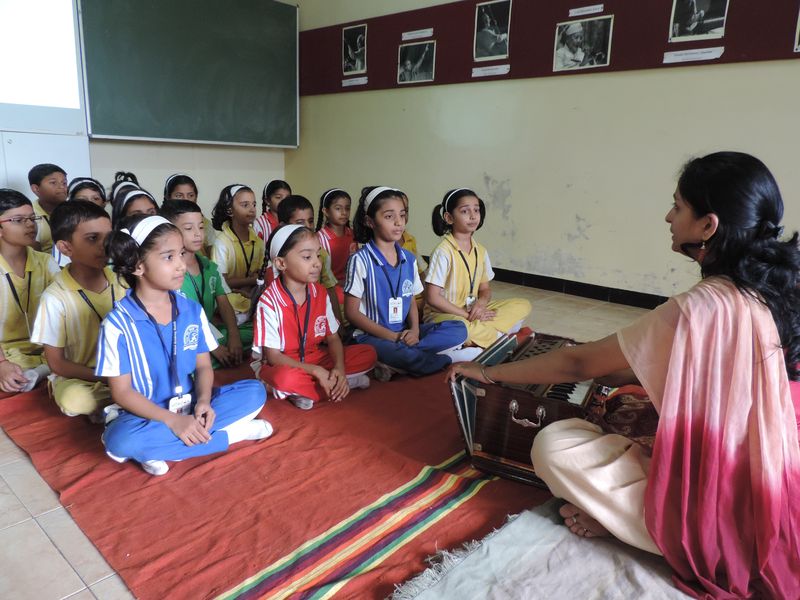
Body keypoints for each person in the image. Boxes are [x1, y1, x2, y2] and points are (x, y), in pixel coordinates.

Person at [446, 152, 800, 599]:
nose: (668, 217)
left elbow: (578, 364)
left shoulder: (702, 307)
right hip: (778, 483)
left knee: (554, 445)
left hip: (721, 518)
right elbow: (649, 367)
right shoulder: (773, 289)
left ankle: (635, 527)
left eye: (677, 206)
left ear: (707, 226)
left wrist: (489, 371)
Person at [97, 215, 272, 476]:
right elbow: (122, 393)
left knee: (255, 392)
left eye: (181, 254)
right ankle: (232, 435)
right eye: (169, 257)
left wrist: (204, 402)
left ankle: (158, 449)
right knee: (120, 440)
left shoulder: (191, 310)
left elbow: (203, 367)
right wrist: (173, 421)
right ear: (138, 266)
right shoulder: (117, 325)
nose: (181, 264)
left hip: (190, 403)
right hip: (146, 415)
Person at [344, 186, 473, 379]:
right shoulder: (360, 260)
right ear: (370, 221)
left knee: (459, 329)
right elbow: (352, 313)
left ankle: (399, 361)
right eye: (389, 216)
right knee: (405, 355)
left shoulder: (408, 258)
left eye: (402, 215)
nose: (399, 222)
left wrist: (414, 330)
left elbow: (411, 300)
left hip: (404, 332)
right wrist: (394, 337)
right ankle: (448, 358)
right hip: (371, 336)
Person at [254, 225, 376, 410]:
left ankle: (308, 390)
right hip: (284, 364)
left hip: (316, 358)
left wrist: (339, 369)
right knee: (283, 378)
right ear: (281, 263)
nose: (317, 263)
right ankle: (339, 386)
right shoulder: (269, 301)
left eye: (318, 255)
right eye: (307, 257)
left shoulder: (319, 292)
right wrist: (316, 371)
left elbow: (333, 338)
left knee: (368, 353)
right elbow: (273, 357)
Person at [30, 201, 125, 418]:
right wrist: (108, 378)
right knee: (75, 400)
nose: (105, 245)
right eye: (92, 238)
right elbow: (57, 363)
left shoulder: (123, 280)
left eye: (108, 236)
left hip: (125, 371)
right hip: (83, 378)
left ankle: (116, 403)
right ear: (65, 247)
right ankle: (119, 401)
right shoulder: (55, 297)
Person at [424, 188, 530, 348]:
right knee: (463, 329)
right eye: (465, 211)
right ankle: (493, 335)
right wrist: (466, 315)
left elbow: (485, 289)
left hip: (472, 310)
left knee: (522, 304)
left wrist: (481, 303)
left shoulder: (480, 250)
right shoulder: (443, 252)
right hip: (444, 314)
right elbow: (432, 298)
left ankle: (483, 337)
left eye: (476, 210)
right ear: (449, 218)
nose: (473, 216)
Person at [160, 200, 246, 368]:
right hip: (186, 337)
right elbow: (179, 320)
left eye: (200, 227)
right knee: (185, 356)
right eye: (188, 228)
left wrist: (234, 335)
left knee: (252, 334)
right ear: (170, 231)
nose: (198, 234)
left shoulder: (209, 266)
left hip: (210, 330)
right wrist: (212, 346)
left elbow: (224, 303)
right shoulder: (169, 273)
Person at [0, 189, 60, 393]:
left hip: (46, 350)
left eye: (32, 218)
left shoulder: (45, 262)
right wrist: (2, 364)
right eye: (18, 220)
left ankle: (40, 371)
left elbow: (66, 309)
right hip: (6, 353)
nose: (30, 225)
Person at [279, 195, 343, 325]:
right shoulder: (278, 257)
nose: (308, 226)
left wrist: (338, 325)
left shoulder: (321, 253)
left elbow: (330, 289)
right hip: (287, 319)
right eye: (300, 222)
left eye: (311, 221)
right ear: (283, 226)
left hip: (316, 315)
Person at [211, 184, 266, 319]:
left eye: (254, 204)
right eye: (245, 205)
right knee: (226, 301)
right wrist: (250, 281)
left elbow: (261, 275)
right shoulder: (222, 242)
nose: (252, 209)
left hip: (251, 292)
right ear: (230, 211)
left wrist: (250, 287)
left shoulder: (258, 242)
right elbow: (221, 283)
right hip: (228, 294)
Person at [316, 188, 357, 291]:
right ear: (326, 211)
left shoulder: (353, 235)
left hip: (352, 287)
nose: (344, 213)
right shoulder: (319, 238)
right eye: (338, 208)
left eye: (347, 208)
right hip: (329, 289)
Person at [163, 173, 215, 254]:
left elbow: (211, 254)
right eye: (179, 196)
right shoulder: (161, 224)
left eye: (190, 195)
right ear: (167, 197)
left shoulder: (206, 223)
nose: (186, 200)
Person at [28, 163, 68, 253]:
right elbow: (34, 255)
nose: (62, 187)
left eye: (64, 183)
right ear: (36, 189)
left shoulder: (74, 210)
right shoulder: (29, 215)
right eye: (53, 183)